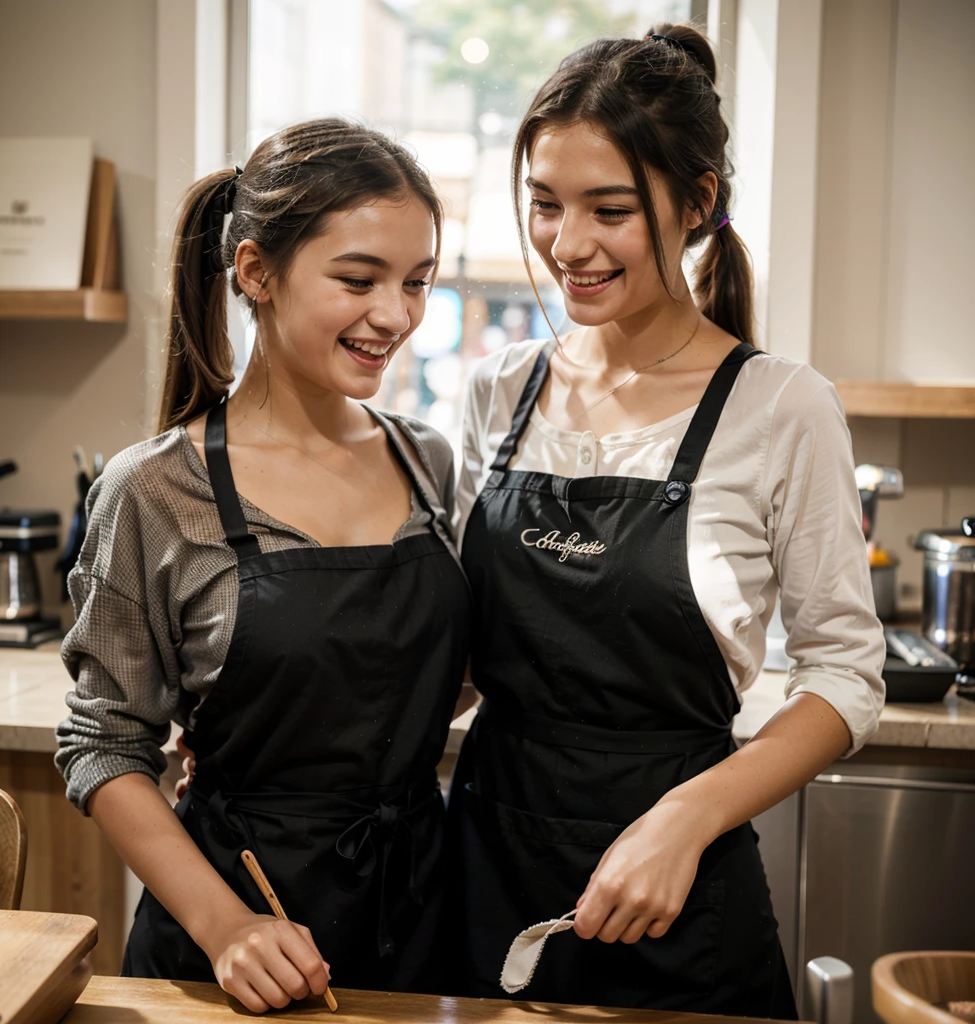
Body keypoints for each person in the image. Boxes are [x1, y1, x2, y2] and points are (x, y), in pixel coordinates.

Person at [447, 25, 885, 1017]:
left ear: (697, 205)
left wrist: (687, 816)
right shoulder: (499, 390)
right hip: (482, 860)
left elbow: (846, 677)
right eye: (546, 207)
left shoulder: (778, 405)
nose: (568, 245)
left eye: (609, 210)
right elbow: (456, 653)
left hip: (679, 900)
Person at [55, 118, 470, 1012]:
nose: (395, 315)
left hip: (421, 914)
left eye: (417, 282)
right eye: (358, 280)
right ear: (256, 272)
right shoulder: (155, 490)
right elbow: (102, 746)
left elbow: (430, 676)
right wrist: (226, 926)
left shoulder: (428, 461)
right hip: (234, 934)